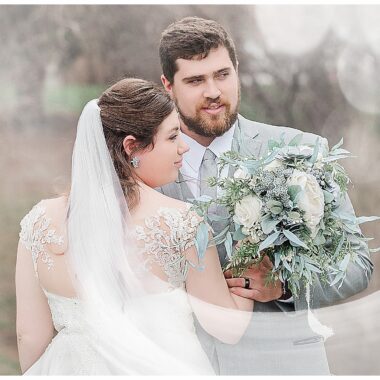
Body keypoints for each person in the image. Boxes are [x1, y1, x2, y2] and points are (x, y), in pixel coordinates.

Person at [158, 16, 374, 375]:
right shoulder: (143, 169)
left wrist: (284, 284)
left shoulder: (302, 151)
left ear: (237, 70)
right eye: (196, 80)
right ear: (168, 85)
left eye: (222, 74)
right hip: (182, 363)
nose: (213, 91)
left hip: (284, 363)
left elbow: (357, 266)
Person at [15, 78, 254, 375]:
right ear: (131, 147)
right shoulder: (183, 223)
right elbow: (226, 328)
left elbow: (29, 335)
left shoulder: (39, 221)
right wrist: (250, 265)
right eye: (171, 137)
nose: (183, 149)